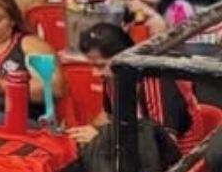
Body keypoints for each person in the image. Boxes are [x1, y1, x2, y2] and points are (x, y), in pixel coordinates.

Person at [67, 22, 200, 143]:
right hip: (136, 154)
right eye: (92, 66)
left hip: (174, 161)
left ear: (124, 58)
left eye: (101, 66)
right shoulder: (113, 77)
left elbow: (163, 142)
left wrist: (100, 136)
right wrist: (84, 132)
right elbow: (109, 116)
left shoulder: (154, 79)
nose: (96, 73)